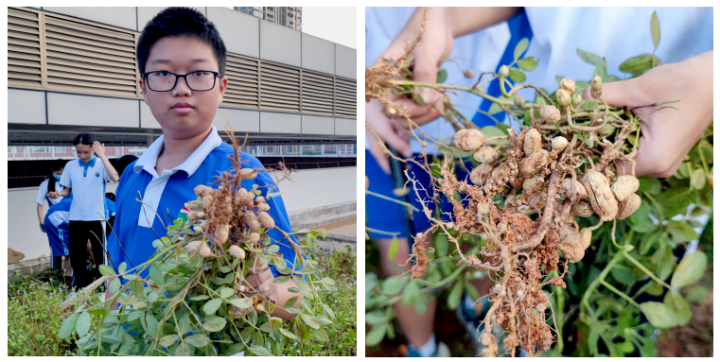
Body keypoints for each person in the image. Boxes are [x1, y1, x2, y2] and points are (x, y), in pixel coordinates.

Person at [367, 6, 713, 356]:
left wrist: (709, 81)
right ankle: (492, 325)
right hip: (539, 131)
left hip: (663, 169)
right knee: (520, 261)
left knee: (627, 313)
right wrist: (444, 15)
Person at [105, 7, 301, 320]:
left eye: (198, 73)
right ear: (143, 87)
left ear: (221, 87)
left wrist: (268, 295)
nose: (181, 87)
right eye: (163, 73)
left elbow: (296, 291)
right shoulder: (131, 174)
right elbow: (115, 274)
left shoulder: (244, 175)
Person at [48, 133, 120, 289]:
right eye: (78, 152)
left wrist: (102, 155)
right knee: (77, 256)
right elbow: (68, 191)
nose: (82, 155)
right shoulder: (71, 166)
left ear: (94, 149)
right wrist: (59, 193)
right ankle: (79, 287)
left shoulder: (101, 164)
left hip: (97, 216)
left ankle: (106, 288)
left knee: (101, 255)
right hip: (76, 217)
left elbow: (115, 178)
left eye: (86, 152)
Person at [44, 194, 73, 280]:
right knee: (70, 252)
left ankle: (69, 278)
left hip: (61, 218)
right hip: (57, 220)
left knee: (71, 252)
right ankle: (69, 280)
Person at [36, 159, 66, 233]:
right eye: (58, 174)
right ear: (52, 170)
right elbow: (40, 205)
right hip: (55, 221)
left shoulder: (72, 182)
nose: (60, 176)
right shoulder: (45, 184)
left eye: (62, 174)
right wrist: (41, 222)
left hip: (71, 220)